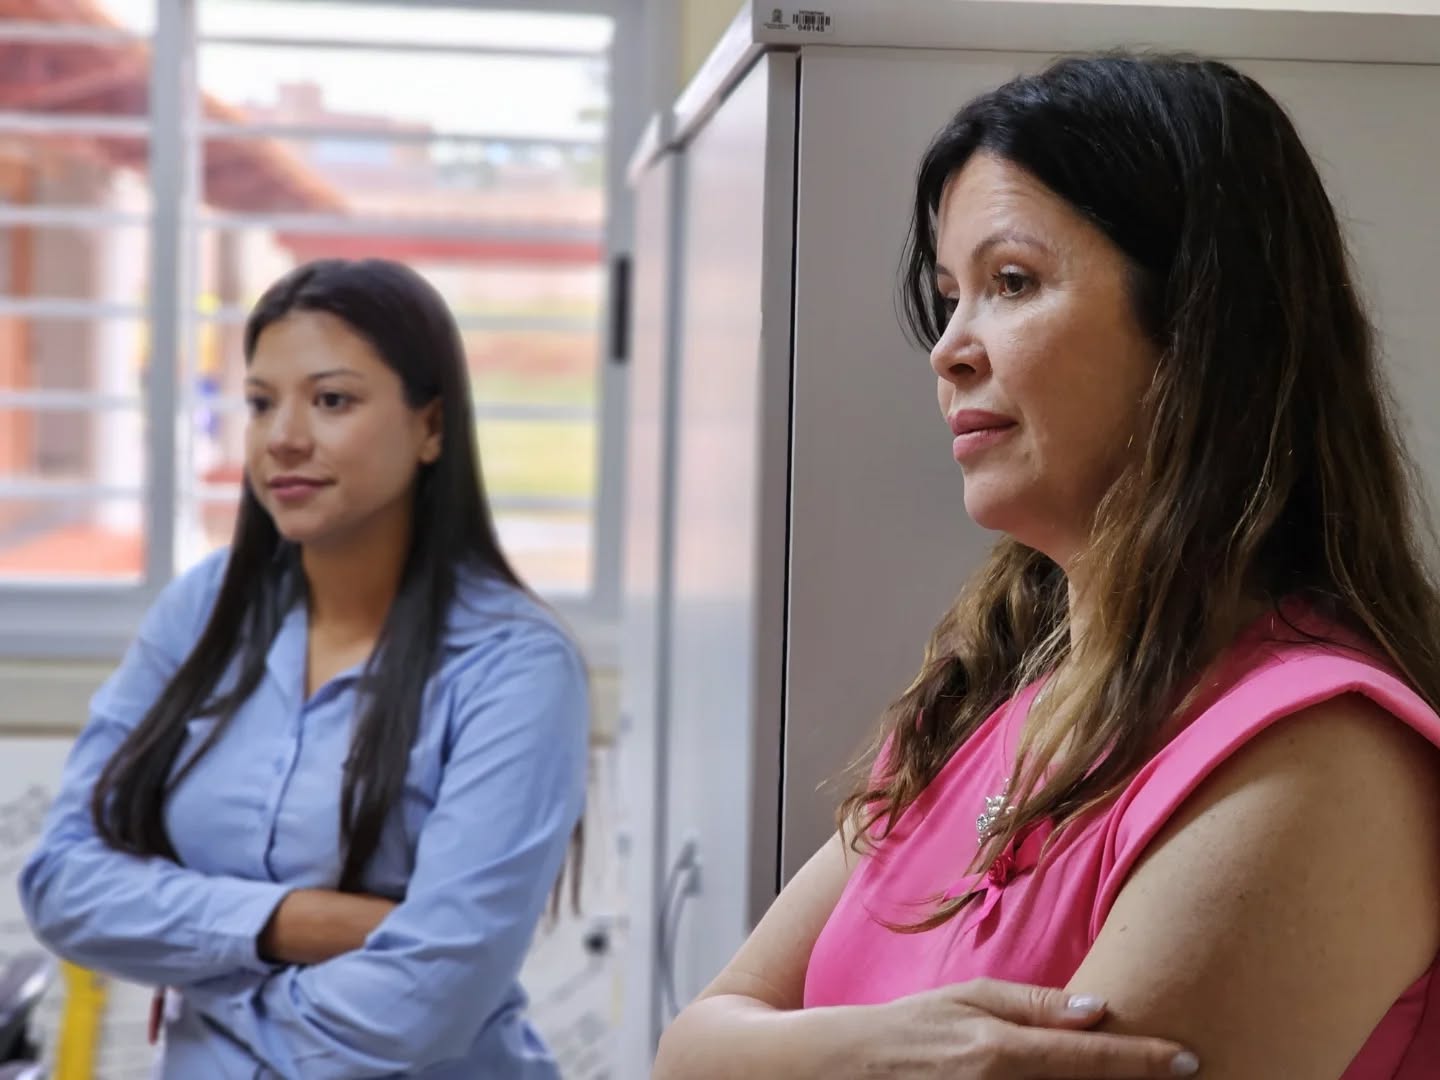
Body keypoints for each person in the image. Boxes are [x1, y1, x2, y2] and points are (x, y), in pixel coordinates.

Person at [655, 52, 1440, 1079]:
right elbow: (690, 1048)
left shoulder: (1317, 758)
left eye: (1012, 283)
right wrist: (882, 1056)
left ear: (1201, 327)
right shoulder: (985, 700)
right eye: (951, 296)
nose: (948, 348)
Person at [19, 258, 590, 1079]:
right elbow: (62, 883)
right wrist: (296, 921)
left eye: (332, 400)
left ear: (431, 426)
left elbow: (426, 1001)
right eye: (260, 403)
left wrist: (217, 1000)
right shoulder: (203, 610)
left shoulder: (515, 667)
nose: (283, 437)